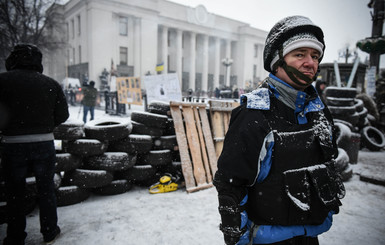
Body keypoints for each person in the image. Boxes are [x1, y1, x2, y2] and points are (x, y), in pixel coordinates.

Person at [213, 16, 345, 245]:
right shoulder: (253, 114)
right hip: (268, 240)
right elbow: (231, 184)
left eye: (315, 56)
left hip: (310, 236)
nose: (310, 62)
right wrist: (238, 237)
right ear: (277, 62)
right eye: (299, 54)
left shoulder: (318, 109)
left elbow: (328, 162)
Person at [0, 44, 69, 244]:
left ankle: (15, 236)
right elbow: (63, 115)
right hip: (43, 144)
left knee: (14, 193)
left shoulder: (3, 81)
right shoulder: (50, 84)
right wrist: (44, 126)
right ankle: (49, 230)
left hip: (12, 145)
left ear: (13, 60)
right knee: (46, 189)